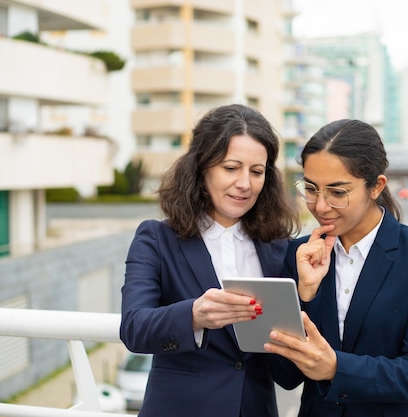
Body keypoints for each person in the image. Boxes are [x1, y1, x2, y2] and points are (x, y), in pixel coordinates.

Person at [264, 119, 408, 417]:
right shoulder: (298, 254)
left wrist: (335, 368)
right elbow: (285, 376)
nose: (321, 206)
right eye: (311, 189)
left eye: (337, 192)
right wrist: (304, 295)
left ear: (376, 186)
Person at [119, 103, 300, 417]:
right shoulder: (156, 239)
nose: (245, 183)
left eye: (256, 172)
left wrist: (308, 294)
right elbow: (134, 328)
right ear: (202, 168)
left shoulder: (280, 248)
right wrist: (193, 315)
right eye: (231, 168)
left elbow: (288, 363)